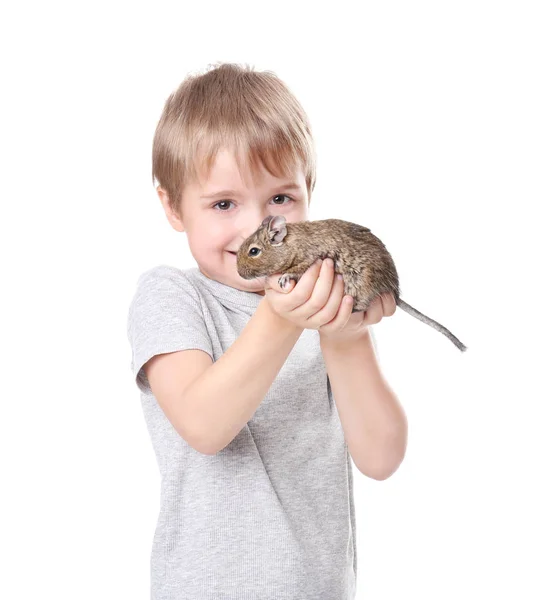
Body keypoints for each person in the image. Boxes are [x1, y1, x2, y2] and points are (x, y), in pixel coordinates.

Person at [127, 62, 408, 600]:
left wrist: (347, 339)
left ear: (308, 194)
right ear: (173, 206)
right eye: (224, 203)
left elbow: (381, 458)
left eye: (279, 199)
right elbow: (205, 427)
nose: (255, 226)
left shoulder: (325, 304)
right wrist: (279, 318)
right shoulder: (171, 295)